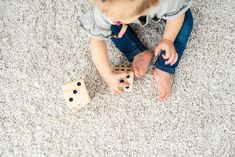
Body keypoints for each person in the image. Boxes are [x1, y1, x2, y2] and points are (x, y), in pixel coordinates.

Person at [79, 0, 193, 100]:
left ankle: (165, 68)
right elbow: (97, 41)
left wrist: (168, 39)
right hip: (129, 8)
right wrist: (107, 75)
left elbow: (178, 15)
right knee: (111, 26)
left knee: (186, 22)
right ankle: (138, 51)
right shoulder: (106, 7)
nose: (110, 16)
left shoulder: (168, 2)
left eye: (117, 16)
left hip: (160, 8)